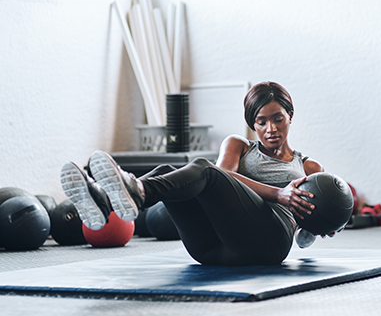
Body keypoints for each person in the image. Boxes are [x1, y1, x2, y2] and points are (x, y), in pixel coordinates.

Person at [60, 81, 325, 265]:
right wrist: (278, 193)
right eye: (261, 121)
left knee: (202, 169)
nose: (271, 128)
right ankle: (107, 202)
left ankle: (135, 191)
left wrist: (325, 221)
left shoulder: (308, 168)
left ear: (290, 115)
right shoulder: (238, 146)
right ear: (252, 124)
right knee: (167, 171)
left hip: (267, 245)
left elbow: (308, 233)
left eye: (278, 118)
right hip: (211, 249)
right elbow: (224, 176)